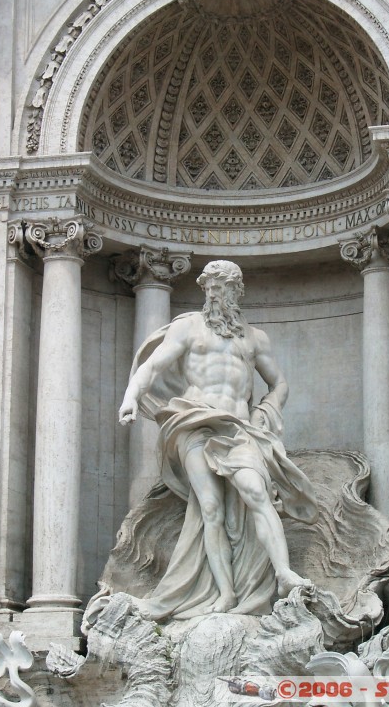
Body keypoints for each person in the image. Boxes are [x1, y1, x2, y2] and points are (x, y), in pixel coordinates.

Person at [119, 260, 318, 620]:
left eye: (220, 287)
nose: (213, 293)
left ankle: (283, 573)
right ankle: (225, 593)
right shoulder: (189, 328)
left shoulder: (255, 338)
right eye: (208, 286)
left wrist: (265, 409)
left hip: (239, 427)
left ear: (236, 291)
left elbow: (280, 383)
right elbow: (152, 367)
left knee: (257, 493)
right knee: (209, 508)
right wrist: (130, 397)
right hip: (194, 422)